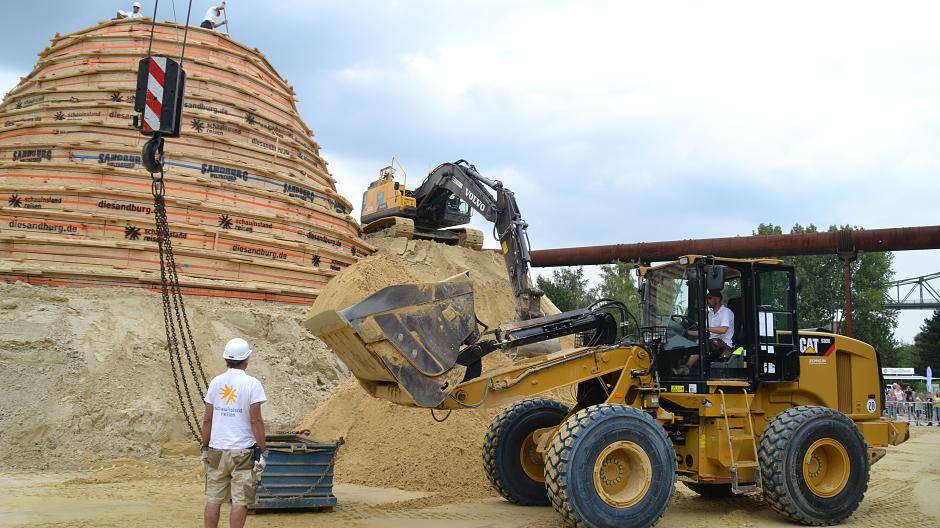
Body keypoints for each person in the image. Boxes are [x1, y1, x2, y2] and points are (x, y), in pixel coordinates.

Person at [201, 337, 267, 528]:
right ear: (247, 359)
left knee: (213, 498)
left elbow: (207, 419)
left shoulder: (216, 382)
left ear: (226, 359)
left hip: (217, 450)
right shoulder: (252, 384)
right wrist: (263, 450)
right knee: (240, 501)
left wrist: (205, 446)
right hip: (242, 454)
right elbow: (256, 420)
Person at [673, 290, 734, 375]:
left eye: (709, 298)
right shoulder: (710, 314)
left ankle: (686, 368)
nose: (707, 300)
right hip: (710, 342)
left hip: (723, 344)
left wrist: (707, 328)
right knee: (686, 344)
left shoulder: (726, 312)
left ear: (718, 299)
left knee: (702, 345)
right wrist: (684, 332)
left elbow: (723, 329)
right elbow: (702, 331)